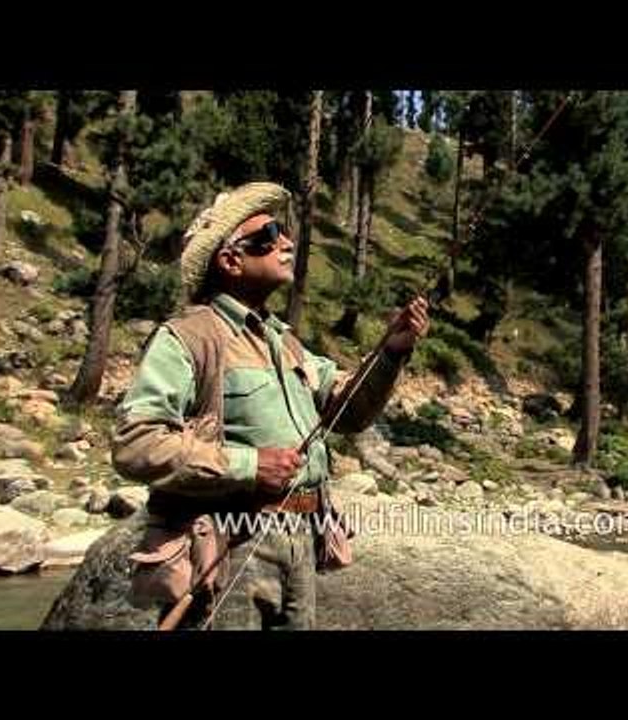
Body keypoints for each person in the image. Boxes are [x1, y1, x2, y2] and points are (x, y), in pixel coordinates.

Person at [112, 182, 429, 629]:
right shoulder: (188, 338)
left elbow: (350, 412)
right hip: (229, 545)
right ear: (230, 261)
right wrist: (249, 465)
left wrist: (391, 353)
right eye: (269, 236)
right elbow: (135, 443)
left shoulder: (285, 342)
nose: (286, 243)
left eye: (283, 233)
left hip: (302, 541)